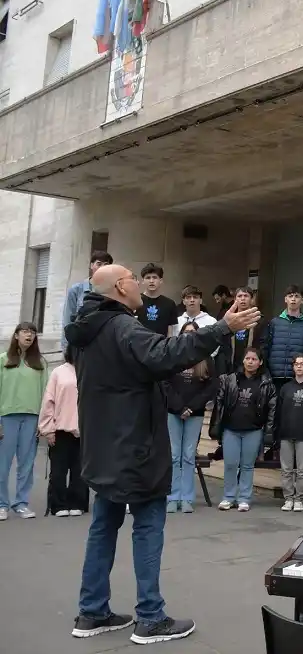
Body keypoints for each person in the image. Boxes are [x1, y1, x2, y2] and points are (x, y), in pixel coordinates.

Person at [66, 262, 260, 643]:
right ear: (121, 287)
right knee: (148, 525)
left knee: (103, 526)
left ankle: (92, 612)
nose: (140, 284)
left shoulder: (86, 330)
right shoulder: (121, 326)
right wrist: (222, 328)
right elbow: (166, 354)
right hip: (135, 448)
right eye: (134, 280)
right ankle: (150, 617)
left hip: (103, 447)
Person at [210, 346, 277, 512]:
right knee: (231, 464)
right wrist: (217, 427)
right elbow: (219, 404)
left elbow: (272, 409)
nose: (250, 362)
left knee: (247, 465)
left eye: (254, 359)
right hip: (231, 429)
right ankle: (228, 497)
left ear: (260, 362)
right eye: (248, 358)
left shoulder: (266, 383)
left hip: (253, 430)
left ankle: (244, 498)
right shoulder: (230, 379)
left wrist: (268, 432)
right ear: (243, 360)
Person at [162, 322, 217, 514]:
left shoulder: (206, 358)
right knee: (174, 455)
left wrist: (191, 408)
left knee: (188, 456)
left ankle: (186, 498)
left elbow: (211, 387)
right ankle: (172, 496)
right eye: (186, 333)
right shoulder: (173, 355)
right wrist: (179, 407)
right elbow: (165, 383)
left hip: (195, 413)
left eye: (193, 333)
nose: (189, 335)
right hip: (173, 413)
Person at [0, 322, 48, 520]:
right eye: (26, 332)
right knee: (3, 464)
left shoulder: (40, 363)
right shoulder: (3, 360)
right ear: (16, 335)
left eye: (33, 333)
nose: (30, 335)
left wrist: (43, 422)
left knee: (26, 463)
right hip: (6, 417)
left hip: (31, 418)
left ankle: (21, 503)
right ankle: (2, 504)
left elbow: (46, 394)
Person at [39, 344, 87, 517]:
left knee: (80, 470)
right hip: (60, 429)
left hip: (85, 429)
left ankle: (78, 502)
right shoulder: (58, 372)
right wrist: (48, 429)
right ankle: (58, 505)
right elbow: (48, 401)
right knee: (58, 470)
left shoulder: (91, 371)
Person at [274, 355, 303, 512]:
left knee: (302, 471)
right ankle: (288, 498)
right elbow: (278, 412)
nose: (299, 367)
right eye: (297, 364)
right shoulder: (285, 388)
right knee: (286, 469)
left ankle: (299, 499)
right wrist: (276, 433)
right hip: (286, 434)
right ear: (293, 367)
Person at [265, 285, 303, 390]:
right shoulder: (275, 322)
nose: (293, 299)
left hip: (297, 376)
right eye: (290, 296)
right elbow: (266, 346)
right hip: (275, 375)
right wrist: (267, 368)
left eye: (297, 296)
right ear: (286, 299)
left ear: (302, 300)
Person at [61, 250, 113, 348]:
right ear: (91, 265)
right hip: (81, 346)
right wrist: (66, 350)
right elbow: (67, 321)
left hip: (104, 346)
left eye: (106, 264)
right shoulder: (76, 290)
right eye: (99, 264)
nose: (102, 268)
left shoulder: (113, 291)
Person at [220, 287, 265, 374]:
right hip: (231, 365)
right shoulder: (229, 319)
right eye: (239, 296)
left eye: (246, 296)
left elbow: (263, 346)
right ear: (235, 300)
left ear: (251, 299)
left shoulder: (259, 320)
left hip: (251, 366)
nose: (243, 298)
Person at [138, 263, 178, 336]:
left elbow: (171, 332)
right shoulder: (135, 301)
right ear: (143, 281)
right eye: (148, 278)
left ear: (161, 280)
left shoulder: (169, 304)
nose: (151, 281)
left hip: (161, 345)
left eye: (155, 277)